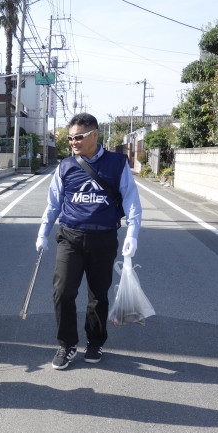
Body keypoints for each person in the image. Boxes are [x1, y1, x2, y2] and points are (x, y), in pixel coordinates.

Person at [36, 113, 142, 370]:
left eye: (79, 137)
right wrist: (42, 232)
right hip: (70, 237)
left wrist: (132, 233)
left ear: (95, 135)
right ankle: (67, 344)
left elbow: (131, 199)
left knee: (98, 295)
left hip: (104, 238)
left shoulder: (117, 163)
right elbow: (53, 203)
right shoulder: (65, 166)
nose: (73, 142)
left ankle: (95, 342)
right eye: (70, 138)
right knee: (62, 292)